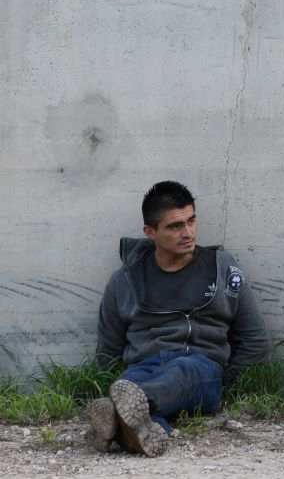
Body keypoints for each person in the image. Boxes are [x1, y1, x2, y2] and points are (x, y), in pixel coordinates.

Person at [86, 181, 269, 456]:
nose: (188, 232)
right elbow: (109, 348)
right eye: (175, 226)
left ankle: (122, 407)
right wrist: (115, 378)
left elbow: (254, 338)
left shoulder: (222, 268)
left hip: (200, 367)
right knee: (136, 394)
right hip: (142, 367)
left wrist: (226, 381)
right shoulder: (126, 280)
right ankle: (133, 430)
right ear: (151, 232)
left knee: (181, 371)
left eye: (191, 221)